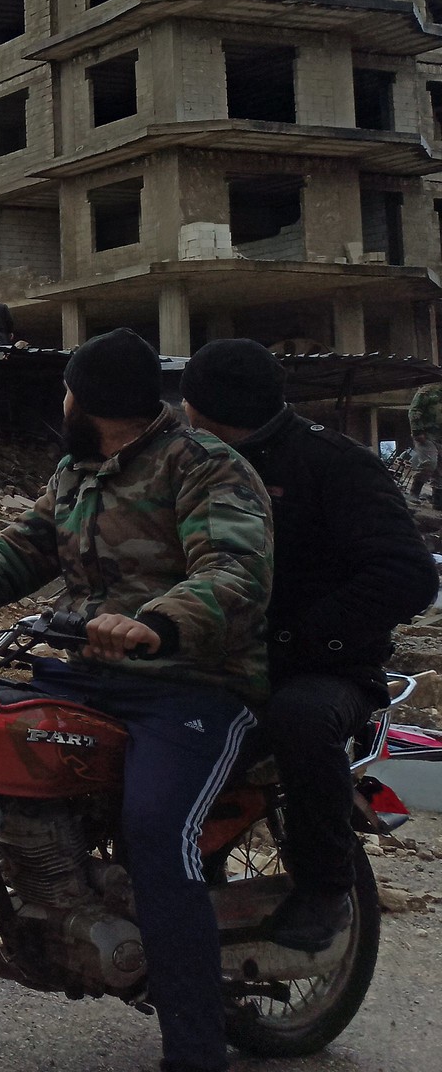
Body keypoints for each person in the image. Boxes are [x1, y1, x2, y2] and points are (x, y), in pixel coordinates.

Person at [0, 327, 271, 1072]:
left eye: (68, 390)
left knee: (157, 830)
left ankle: (194, 1044)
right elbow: (22, 548)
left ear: (88, 400)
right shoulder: (79, 470)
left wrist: (153, 625)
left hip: (195, 684)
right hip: (87, 671)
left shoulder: (207, 467)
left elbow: (235, 577)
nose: (63, 402)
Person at [181, 338, 439, 951]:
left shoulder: (333, 464)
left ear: (208, 409)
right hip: (214, 659)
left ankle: (325, 886)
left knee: (300, 721)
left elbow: (407, 574)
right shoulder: (192, 461)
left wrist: (302, 636)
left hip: (324, 667)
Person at [408, 380, 442, 505]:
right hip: (427, 435)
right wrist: (417, 431)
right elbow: (414, 410)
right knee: (430, 462)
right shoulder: (428, 391)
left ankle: (438, 500)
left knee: (440, 470)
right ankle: (414, 492)